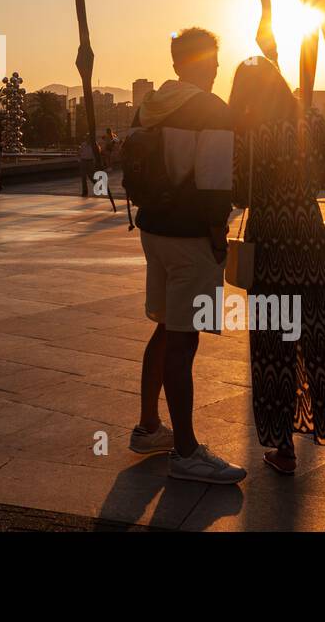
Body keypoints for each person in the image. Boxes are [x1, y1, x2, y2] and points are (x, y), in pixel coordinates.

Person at [229, 57, 325, 477]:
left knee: (274, 348)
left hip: (270, 250)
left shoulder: (245, 133)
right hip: (308, 243)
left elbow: (238, 194)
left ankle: (284, 451)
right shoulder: (309, 120)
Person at [127, 28, 245, 484]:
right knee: (184, 339)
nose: (215, 69)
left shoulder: (149, 105)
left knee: (165, 327)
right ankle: (186, 451)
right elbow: (216, 182)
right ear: (196, 64)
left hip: (153, 229)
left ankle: (149, 427)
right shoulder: (210, 108)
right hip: (192, 237)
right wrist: (218, 235)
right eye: (212, 62)